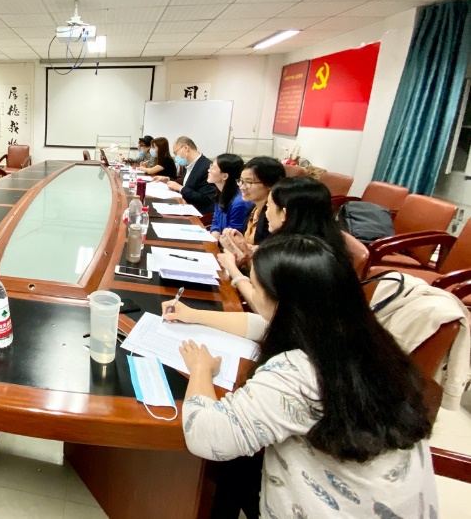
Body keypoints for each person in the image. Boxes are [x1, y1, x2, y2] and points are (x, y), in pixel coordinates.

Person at [177, 235, 436, 519]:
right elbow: (263, 324)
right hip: (390, 503)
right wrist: (194, 315)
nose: (250, 291)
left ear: (284, 304)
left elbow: (206, 436)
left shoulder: (299, 374)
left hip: (334, 509)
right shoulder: (368, 339)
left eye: (254, 286)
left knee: (225, 469)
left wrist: (200, 368)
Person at [217, 176, 354, 314]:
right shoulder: (326, 242)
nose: (266, 213)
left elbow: (264, 309)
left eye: (268, 206)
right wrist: (249, 252)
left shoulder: (294, 255)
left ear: (284, 213)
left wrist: (231, 267)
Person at [219, 156, 284, 262]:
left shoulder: (273, 218)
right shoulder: (252, 209)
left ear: (270, 185)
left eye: (249, 182)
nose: (242, 187)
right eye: (241, 181)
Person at [154, 136, 217, 215]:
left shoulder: (207, 167)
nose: (176, 156)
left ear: (185, 148)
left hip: (197, 212)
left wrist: (180, 188)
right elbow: (187, 184)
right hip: (185, 205)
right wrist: (168, 180)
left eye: (176, 153)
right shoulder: (188, 164)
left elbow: (204, 198)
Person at [208, 154, 252, 239]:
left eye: (213, 168)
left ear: (225, 176)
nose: (209, 170)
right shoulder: (221, 193)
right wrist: (214, 232)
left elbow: (233, 235)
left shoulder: (239, 203)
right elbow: (216, 221)